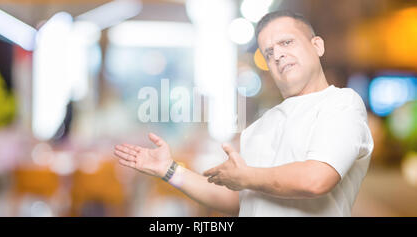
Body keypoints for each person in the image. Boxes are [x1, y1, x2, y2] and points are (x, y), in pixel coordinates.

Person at [114, 10, 374, 217]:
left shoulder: (342, 103)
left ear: (317, 45)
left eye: (286, 42)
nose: (278, 54)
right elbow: (236, 198)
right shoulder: (259, 127)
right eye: (269, 52)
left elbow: (316, 179)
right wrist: (169, 170)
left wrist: (245, 176)